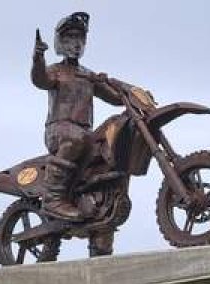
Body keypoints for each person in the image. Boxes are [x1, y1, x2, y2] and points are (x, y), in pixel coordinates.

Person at [31, 11, 126, 223]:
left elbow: (114, 98)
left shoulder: (88, 76)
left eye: (80, 38)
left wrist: (131, 93)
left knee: (106, 153)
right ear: (60, 41)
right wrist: (38, 57)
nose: (76, 43)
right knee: (76, 138)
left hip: (85, 134)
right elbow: (40, 80)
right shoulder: (55, 71)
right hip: (60, 130)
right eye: (70, 38)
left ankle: (101, 211)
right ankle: (53, 198)